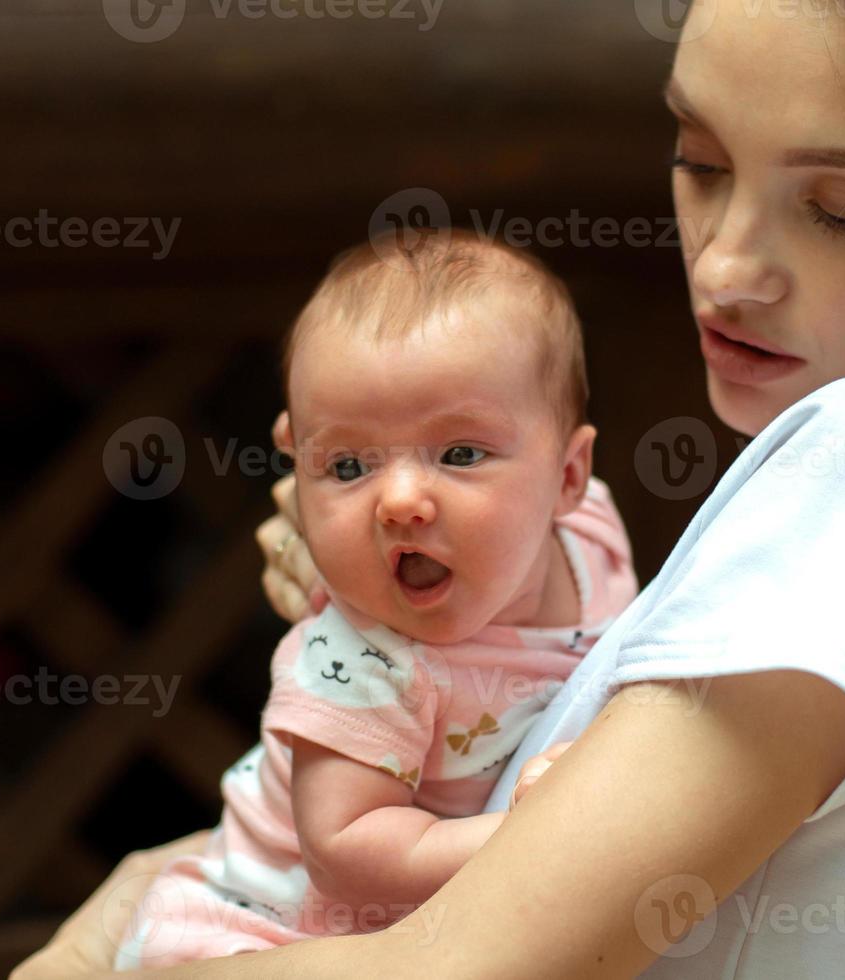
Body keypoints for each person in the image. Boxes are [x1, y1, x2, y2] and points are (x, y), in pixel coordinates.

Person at [15, 0, 845, 976]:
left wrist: (97, 938)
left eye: (843, 210)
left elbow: (457, 967)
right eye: (698, 160)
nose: (727, 264)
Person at [113, 230, 639, 969]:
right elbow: (349, 851)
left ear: (568, 476)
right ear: (298, 462)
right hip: (275, 933)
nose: (398, 501)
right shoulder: (360, 657)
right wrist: (535, 832)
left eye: (459, 454)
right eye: (350, 464)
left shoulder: (592, 535)